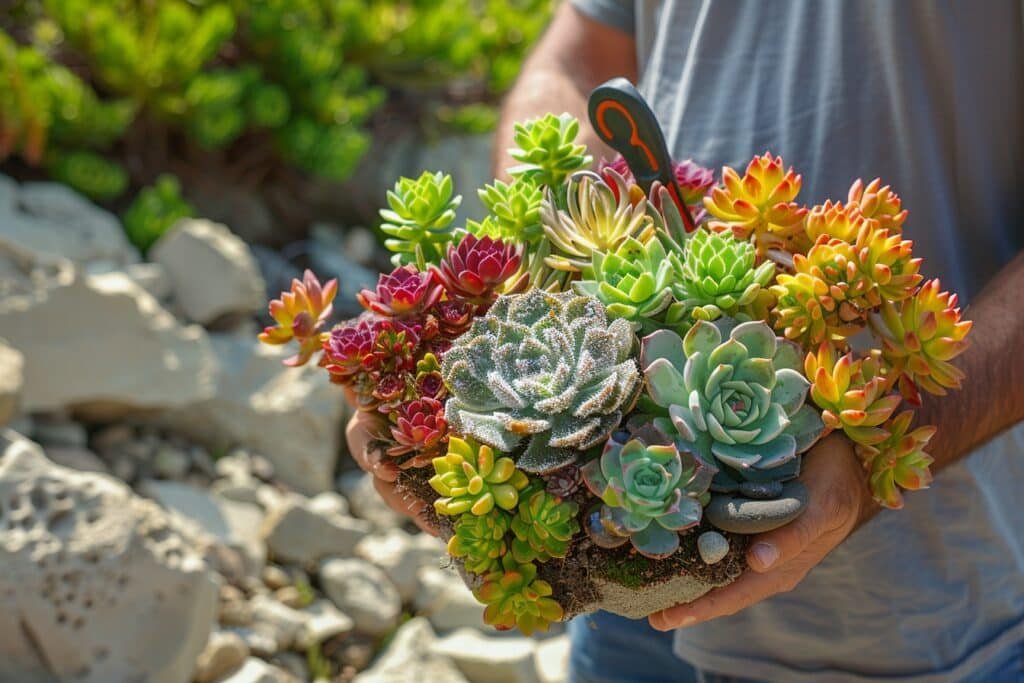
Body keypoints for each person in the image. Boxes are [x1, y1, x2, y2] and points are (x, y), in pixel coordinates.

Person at [345, 2, 1024, 681]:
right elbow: (579, 56)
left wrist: (879, 449)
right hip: (619, 592)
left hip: (910, 616)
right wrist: (524, 278)